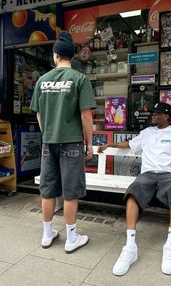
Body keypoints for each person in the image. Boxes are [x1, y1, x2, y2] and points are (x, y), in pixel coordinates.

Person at [98, 102, 171, 276]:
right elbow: (129, 144)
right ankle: (130, 247)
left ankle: (169, 245)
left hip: (169, 176)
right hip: (147, 175)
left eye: (156, 113)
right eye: (153, 113)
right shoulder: (146, 133)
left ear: (167, 116)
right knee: (133, 192)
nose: (153, 115)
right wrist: (110, 145)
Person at [30, 31, 96, 254]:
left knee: (47, 190)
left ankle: (47, 234)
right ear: (71, 56)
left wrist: (48, 132)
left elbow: (38, 114)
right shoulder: (80, 79)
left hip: (49, 143)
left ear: (56, 55)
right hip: (72, 143)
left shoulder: (42, 80)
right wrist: (89, 142)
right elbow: (86, 115)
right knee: (70, 192)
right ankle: (71, 238)